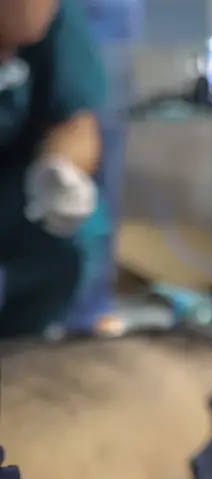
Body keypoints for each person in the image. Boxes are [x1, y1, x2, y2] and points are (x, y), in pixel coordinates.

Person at [0, 0, 107, 338]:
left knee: (74, 229)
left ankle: (22, 345)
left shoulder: (59, 19)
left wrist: (59, 168)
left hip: (13, 186)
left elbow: (76, 120)